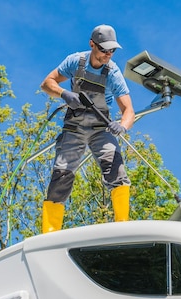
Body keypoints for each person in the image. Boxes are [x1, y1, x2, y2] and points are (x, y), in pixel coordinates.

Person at [40, 24, 135, 233]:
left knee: (116, 169)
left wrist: (122, 126)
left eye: (112, 51)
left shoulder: (113, 72)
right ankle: (49, 233)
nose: (107, 55)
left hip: (101, 128)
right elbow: (47, 83)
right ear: (92, 44)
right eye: (103, 50)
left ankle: (123, 227)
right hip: (74, 127)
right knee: (61, 175)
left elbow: (128, 110)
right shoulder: (76, 61)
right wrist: (63, 93)